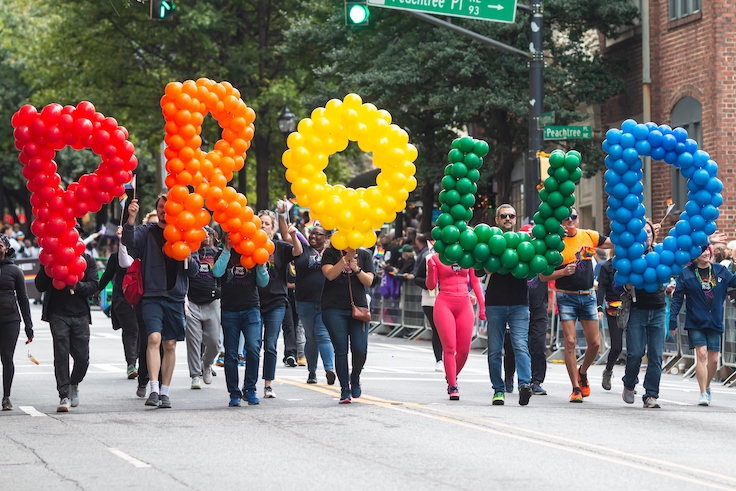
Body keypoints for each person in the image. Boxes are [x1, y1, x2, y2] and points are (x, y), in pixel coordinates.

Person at [122, 196, 200, 409]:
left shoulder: (185, 234)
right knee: (154, 338)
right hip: (152, 296)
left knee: (170, 344)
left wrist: (189, 257)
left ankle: (165, 392)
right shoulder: (147, 231)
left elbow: (194, 271)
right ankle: (154, 389)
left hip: (175, 298)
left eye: (168, 208)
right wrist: (130, 218)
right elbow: (128, 242)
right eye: (160, 208)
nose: (164, 211)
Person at [540, 206, 614, 403]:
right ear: (560, 222)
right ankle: (575, 388)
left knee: (595, 344)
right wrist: (563, 273)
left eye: (573, 216)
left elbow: (614, 243)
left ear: (578, 218)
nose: (570, 220)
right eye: (566, 218)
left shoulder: (588, 236)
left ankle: (583, 372)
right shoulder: (554, 242)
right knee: (570, 342)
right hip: (566, 297)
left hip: (588, 296)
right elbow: (542, 276)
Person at [35, 238, 98, 412]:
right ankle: (63, 395)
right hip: (58, 314)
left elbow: (94, 285)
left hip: (80, 315)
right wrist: (47, 266)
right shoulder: (50, 258)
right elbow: (39, 286)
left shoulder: (87, 260)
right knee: (61, 355)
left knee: (82, 358)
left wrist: (77, 285)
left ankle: (74, 383)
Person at [670, 245, 736, 406]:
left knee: (713, 360)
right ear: (694, 255)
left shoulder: (720, 270)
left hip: (714, 320)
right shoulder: (687, 274)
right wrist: (672, 320)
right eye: (702, 251)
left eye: (707, 250)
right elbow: (678, 298)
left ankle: (707, 386)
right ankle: (702, 393)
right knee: (701, 354)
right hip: (695, 320)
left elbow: (734, 281)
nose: (706, 253)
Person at [212, 233, 269, 407]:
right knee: (230, 354)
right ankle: (234, 392)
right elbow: (217, 272)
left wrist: (260, 266)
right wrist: (227, 250)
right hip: (230, 310)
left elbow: (264, 282)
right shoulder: (222, 252)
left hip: (251, 308)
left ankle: (250, 388)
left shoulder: (253, 252)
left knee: (252, 348)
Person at [483, 205, 532, 406]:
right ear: (497, 219)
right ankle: (498, 389)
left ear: (515, 219)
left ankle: (524, 385)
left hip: (520, 302)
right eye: (504, 216)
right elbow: (479, 270)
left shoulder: (524, 241)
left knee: (520, 345)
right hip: (495, 302)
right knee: (495, 349)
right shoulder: (487, 242)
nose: (508, 219)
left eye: (511, 216)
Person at [619, 220, 668, 408]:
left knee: (656, 355)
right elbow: (620, 282)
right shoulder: (631, 255)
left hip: (658, 309)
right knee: (636, 353)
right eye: (643, 232)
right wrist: (628, 284)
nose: (647, 235)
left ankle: (651, 395)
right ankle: (629, 383)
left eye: (649, 232)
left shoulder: (660, 254)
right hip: (637, 309)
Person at [426, 249, 486, 401]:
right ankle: (453, 385)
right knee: (450, 347)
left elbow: (474, 282)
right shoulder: (435, 258)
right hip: (444, 302)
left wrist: (482, 306)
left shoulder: (467, 257)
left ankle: (451, 375)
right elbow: (431, 286)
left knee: (464, 350)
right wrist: (432, 268)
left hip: (464, 303)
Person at [321, 244, 376, 404]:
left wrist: (357, 269)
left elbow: (369, 281)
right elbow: (330, 275)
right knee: (341, 350)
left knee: (360, 349)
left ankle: (355, 376)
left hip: (358, 307)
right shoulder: (330, 252)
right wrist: (344, 259)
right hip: (333, 308)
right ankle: (344, 389)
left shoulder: (364, 254)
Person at [258, 209, 302, 398]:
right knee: (253, 345)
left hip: (276, 300)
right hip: (254, 301)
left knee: (270, 344)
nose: (263, 226)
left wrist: (293, 234)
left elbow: (298, 251)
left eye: (266, 223)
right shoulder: (249, 246)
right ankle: (250, 384)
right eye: (260, 223)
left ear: (273, 227)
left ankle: (268, 384)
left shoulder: (280, 246)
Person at [285, 223, 336, 385]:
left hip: (325, 301)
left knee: (322, 335)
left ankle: (330, 369)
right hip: (304, 300)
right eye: (312, 234)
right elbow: (289, 237)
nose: (313, 236)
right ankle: (312, 371)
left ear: (327, 238)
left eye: (318, 234)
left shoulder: (331, 253)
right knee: (311, 337)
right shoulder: (303, 250)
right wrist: (290, 229)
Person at [98, 226, 139, 379]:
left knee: (140, 331)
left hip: (141, 298)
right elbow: (107, 275)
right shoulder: (116, 257)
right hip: (122, 299)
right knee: (131, 330)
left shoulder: (142, 254)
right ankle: (131, 364)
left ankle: (137, 361)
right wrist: (96, 292)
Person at [185, 227, 222, 390]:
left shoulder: (218, 253)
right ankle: (194, 375)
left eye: (209, 233)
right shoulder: (190, 253)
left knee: (214, 341)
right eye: (202, 233)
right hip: (192, 301)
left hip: (212, 301)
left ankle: (206, 364)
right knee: (193, 341)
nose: (206, 236)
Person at [0, 235, 33, 411]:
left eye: (0, 244)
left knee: (7, 357)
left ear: (7, 248)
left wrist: (29, 326)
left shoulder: (15, 271)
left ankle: (6, 397)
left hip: (10, 320)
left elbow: (23, 298)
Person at [413, 241, 443, 372]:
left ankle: (448, 357)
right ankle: (439, 359)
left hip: (450, 298)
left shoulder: (456, 259)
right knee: (437, 329)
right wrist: (429, 284)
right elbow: (417, 277)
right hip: (431, 300)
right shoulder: (428, 258)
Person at [596, 255, 624, 391]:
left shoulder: (635, 262)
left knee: (635, 348)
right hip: (613, 308)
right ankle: (608, 371)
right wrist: (599, 308)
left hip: (634, 307)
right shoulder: (606, 266)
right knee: (617, 346)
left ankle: (630, 381)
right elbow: (601, 287)